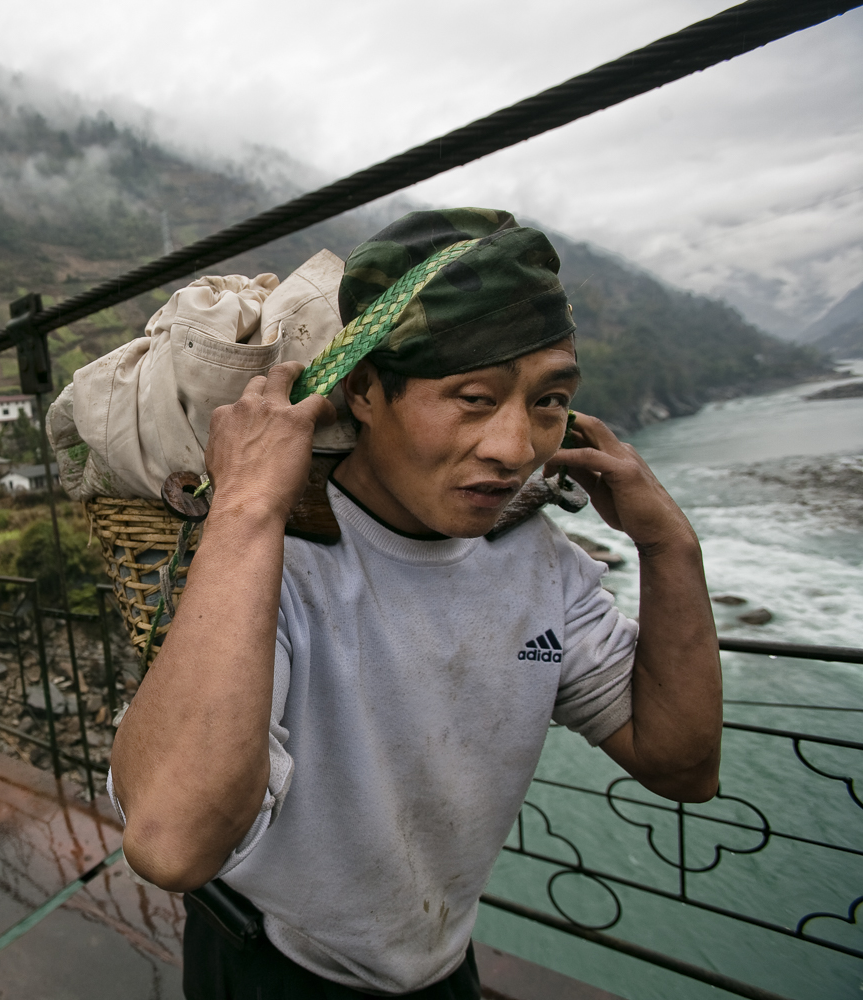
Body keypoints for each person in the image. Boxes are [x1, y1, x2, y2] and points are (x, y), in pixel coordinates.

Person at [107, 209, 723, 998]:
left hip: (437, 968)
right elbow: (170, 845)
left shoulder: (542, 566)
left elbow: (683, 765)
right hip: (271, 966)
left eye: (548, 400)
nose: (514, 447)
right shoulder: (273, 565)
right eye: (473, 398)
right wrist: (246, 507)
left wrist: (672, 549)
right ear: (365, 391)